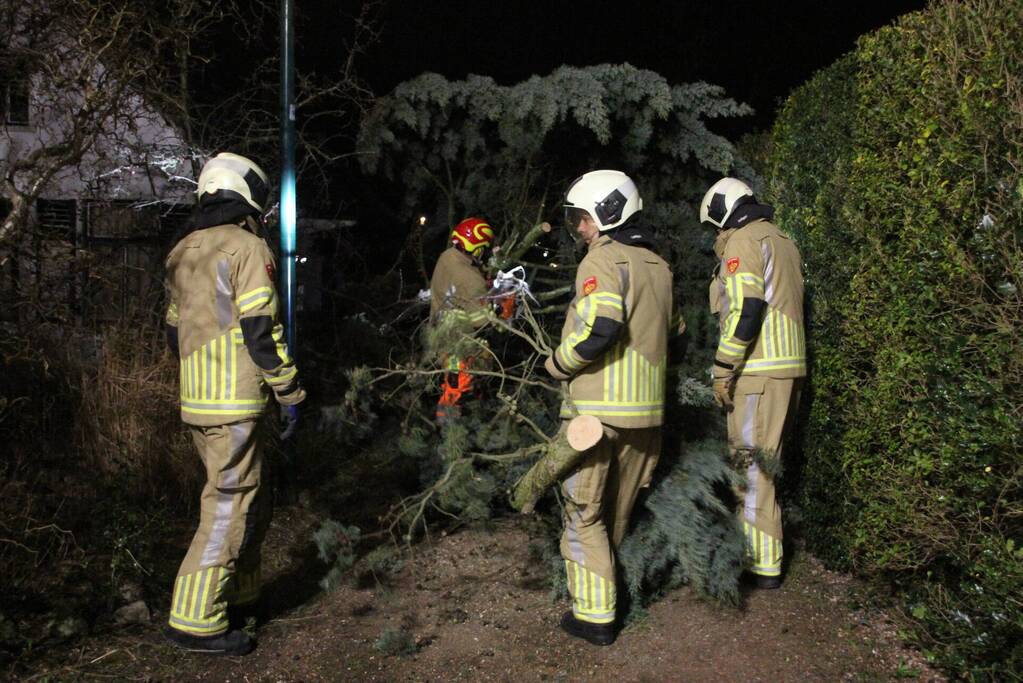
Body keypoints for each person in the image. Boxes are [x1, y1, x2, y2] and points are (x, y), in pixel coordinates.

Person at [163, 152, 305, 654]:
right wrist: (290, 391)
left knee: (250, 500)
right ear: (248, 195)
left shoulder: (183, 250)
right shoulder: (247, 248)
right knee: (228, 506)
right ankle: (195, 618)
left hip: (198, 400)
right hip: (235, 401)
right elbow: (261, 331)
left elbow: (174, 329)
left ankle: (240, 597)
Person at [544, 170, 672, 645]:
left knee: (583, 514)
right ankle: (610, 596)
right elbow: (675, 332)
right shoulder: (659, 266)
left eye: (583, 218)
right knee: (615, 512)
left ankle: (595, 617)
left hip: (597, 415)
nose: (579, 228)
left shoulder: (602, 258)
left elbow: (602, 327)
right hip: (647, 414)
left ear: (607, 213)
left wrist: (557, 363)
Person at [700, 177, 806, 589]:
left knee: (750, 467)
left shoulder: (744, 240)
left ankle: (760, 565)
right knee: (766, 465)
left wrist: (724, 365)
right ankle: (766, 558)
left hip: (758, 369)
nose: (717, 235)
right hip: (787, 368)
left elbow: (747, 307)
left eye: (715, 226)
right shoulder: (782, 239)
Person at [429, 217, 495, 423]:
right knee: (461, 387)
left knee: (450, 384)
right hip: (461, 343)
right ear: (477, 249)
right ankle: (458, 428)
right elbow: (481, 321)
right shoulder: (470, 279)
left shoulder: (447, 256)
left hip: (440, 333)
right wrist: (495, 309)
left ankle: (448, 426)